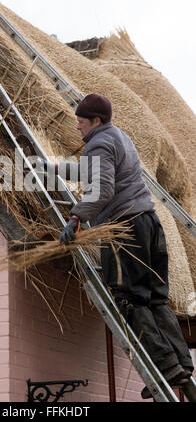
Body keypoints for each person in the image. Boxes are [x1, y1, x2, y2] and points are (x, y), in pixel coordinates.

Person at [54, 93, 194, 399]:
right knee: (156, 299)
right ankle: (181, 363)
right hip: (148, 224)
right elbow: (104, 174)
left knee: (129, 299)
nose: (77, 128)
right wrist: (57, 170)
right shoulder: (119, 137)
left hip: (125, 229)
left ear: (96, 121)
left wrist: (76, 217)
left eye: (80, 122)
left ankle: (165, 369)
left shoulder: (98, 144)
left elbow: (101, 189)